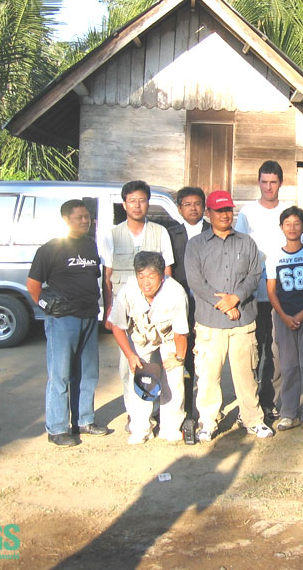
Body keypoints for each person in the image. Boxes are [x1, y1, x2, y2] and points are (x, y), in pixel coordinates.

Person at [185, 190, 273, 440]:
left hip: (242, 319)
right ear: (208, 213)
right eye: (218, 210)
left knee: (246, 373)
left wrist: (235, 298)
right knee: (209, 375)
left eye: (227, 210)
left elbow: (255, 275)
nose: (224, 215)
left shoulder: (246, 242)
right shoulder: (196, 245)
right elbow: (196, 281)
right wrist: (224, 303)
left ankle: (253, 419)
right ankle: (208, 421)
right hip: (210, 322)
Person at [27, 199, 108, 447]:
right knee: (60, 375)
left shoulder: (90, 246)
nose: (85, 221)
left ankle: (84, 420)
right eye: (79, 217)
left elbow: (94, 279)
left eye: (87, 217)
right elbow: (33, 286)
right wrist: (46, 306)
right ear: (66, 220)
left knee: (88, 374)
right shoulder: (51, 249)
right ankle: (58, 428)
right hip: (63, 321)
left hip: (88, 317)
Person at [99, 180, 175, 431]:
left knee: (158, 362)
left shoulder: (159, 232)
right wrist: (108, 310)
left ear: (148, 202)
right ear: (124, 204)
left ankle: (156, 411)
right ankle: (135, 414)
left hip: (156, 307)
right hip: (125, 308)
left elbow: (168, 271)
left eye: (142, 200)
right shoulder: (112, 234)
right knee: (128, 364)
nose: (137, 205)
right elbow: (107, 275)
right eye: (132, 200)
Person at [108, 251, 189, 443]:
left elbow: (181, 332)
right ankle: (141, 428)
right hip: (141, 337)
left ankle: (171, 427)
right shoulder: (127, 291)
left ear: (162, 276)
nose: (146, 282)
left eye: (151, 277)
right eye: (141, 276)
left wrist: (179, 358)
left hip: (169, 336)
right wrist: (130, 355)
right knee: (140, 377)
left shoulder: (176, 292)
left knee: (174, 377)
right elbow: (117, 327)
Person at [265, 207, 303, 433]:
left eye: (297, 224)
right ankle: (289, 412)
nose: (292, 228)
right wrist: (284, 316)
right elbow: (271, 291)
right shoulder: (274, 256)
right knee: (288, 365)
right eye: (287, 223)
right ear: (281, 227)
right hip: (283, 316)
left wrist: (302, 314)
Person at [234, 161, 290, 416]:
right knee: (252, 348)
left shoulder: (289, 212)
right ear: (258, 182)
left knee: (277, 349)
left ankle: (272, 401)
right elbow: (238, 251)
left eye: (273, 182)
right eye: (264, 182)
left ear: (281, 183)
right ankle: (251, 402)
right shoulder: (247, 213)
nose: (269, 187)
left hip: (281, 293)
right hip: (253, 294)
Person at [167, 187, 210, 387]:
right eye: (187, 204)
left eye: (197, 204)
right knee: (181, 354)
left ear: (204, 206)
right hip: (180, 301)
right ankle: (185, 408)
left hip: (207, 302)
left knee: (206, 357)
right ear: (179, 208)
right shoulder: (170, 234)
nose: (193, 208)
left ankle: (208, 408)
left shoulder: (213, 231)